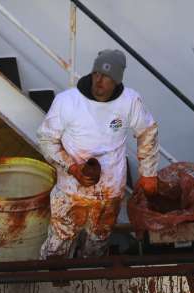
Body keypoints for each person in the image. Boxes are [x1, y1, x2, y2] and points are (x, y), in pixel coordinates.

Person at [36, 49, 160, 259]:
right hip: (70, 192)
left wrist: (148, 173)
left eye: (107, 77)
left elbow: (147, 131)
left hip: (109, 193)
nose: (99, 81)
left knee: (97, 245)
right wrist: (73, 168)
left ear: (117, 81)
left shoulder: (130, 101)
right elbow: (46, 139)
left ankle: (90, 283)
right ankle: (52, 285)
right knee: (58, 246)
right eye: (96, 74)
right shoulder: (67, 101)